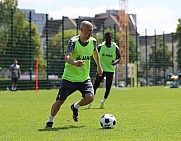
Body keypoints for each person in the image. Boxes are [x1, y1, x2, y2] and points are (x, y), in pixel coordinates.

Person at [45, 20, 103, 128]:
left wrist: (99, 67)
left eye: (91, 31)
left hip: (84, 78)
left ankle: (75, 106)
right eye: (86, 31)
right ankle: (50, 120)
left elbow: (95, 53)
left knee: (90, 98)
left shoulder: (93, 41)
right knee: (60, 101)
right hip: (69, 78)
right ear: (81, 30)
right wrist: (75, 63)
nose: (89, 33)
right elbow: (67, 57)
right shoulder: (73, 41)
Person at [88, 32, 121, 109]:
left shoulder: (115, 47)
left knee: (108, 87)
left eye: (109, 37)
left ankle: (103, 101)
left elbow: (119, 57)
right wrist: (96, 62)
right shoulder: (101, 46)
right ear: (105, 38)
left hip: (110, 70)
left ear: (111, 38)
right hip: (101, 69)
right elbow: (94, 53)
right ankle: (90, 102)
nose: (108, 39)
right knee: (95, 86)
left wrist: (116, 62)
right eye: (107, 37)